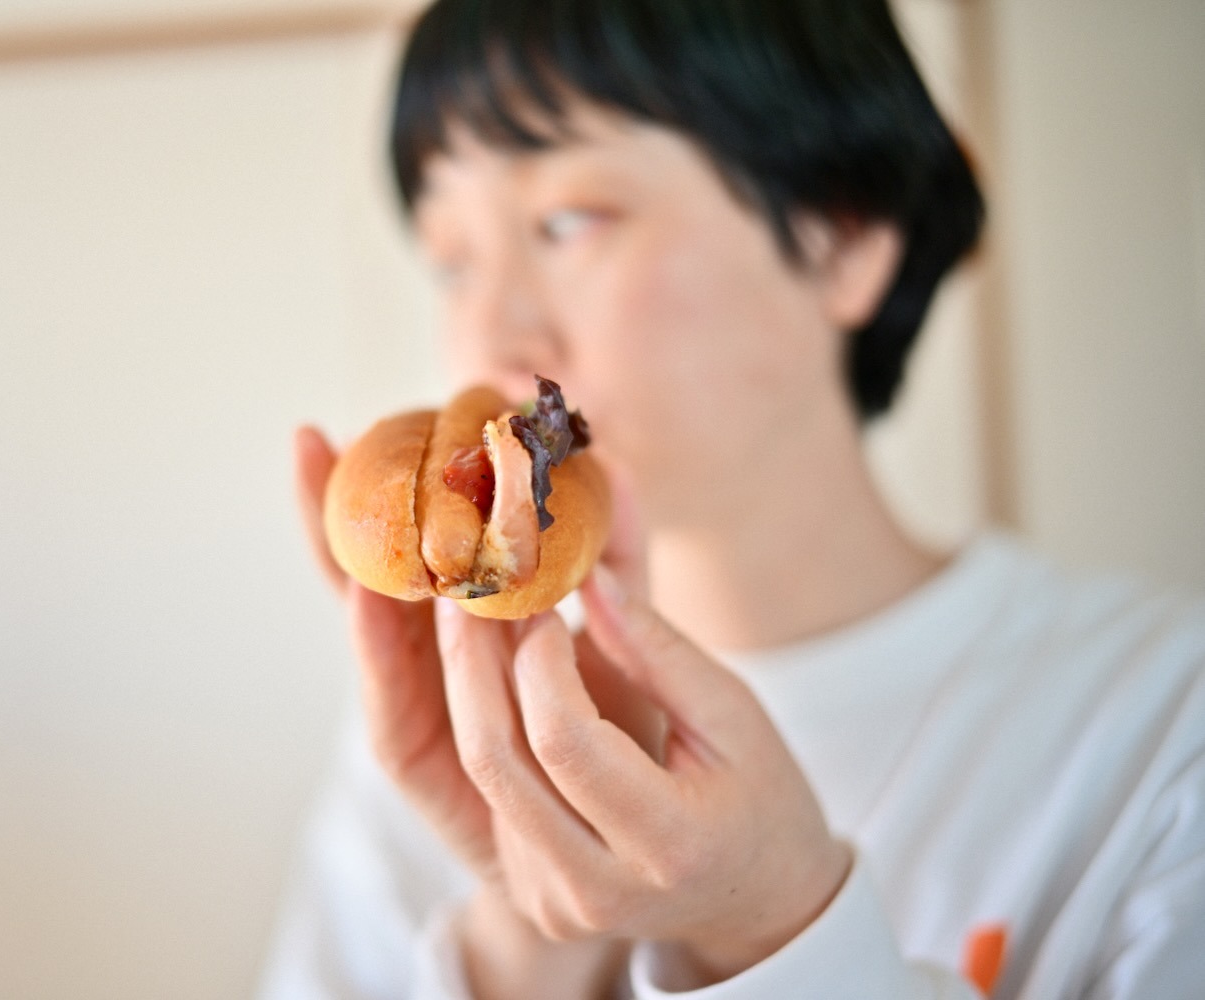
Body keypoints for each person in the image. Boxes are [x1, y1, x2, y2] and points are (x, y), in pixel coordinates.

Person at [259, 0, 1205, 997]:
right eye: (451, 261)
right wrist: (519, 949)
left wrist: (776, 929)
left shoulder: (1160, 730)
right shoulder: (449, 743)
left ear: (842, 237)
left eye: (569, 221)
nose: (489, 335)